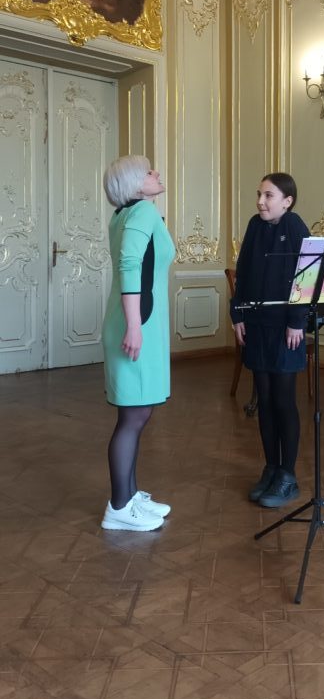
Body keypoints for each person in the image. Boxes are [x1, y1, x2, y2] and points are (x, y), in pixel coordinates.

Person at [100, 155, 175, 532]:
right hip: (135, 323)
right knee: (133, 416)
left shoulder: (125, 215)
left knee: (136, 414)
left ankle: (129, 496)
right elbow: (130, 267)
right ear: (133, 183)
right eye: (148, 171)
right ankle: (118, 507)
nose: (156, 173)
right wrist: (134, 327)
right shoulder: (142, 212)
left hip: (137, 321)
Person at [231, 173, 310, 508]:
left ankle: (288, 475)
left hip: (285, 329)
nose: (260, 202)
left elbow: (306, 277)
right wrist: (237, 314)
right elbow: (244, 271)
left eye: (268, 195)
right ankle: (271, 468)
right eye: (259, 194)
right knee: (263, 400)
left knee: (283, 401)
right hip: (257, 325)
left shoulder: (295, 226)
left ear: (287, 201)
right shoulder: (255, 225)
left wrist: (296, 322)